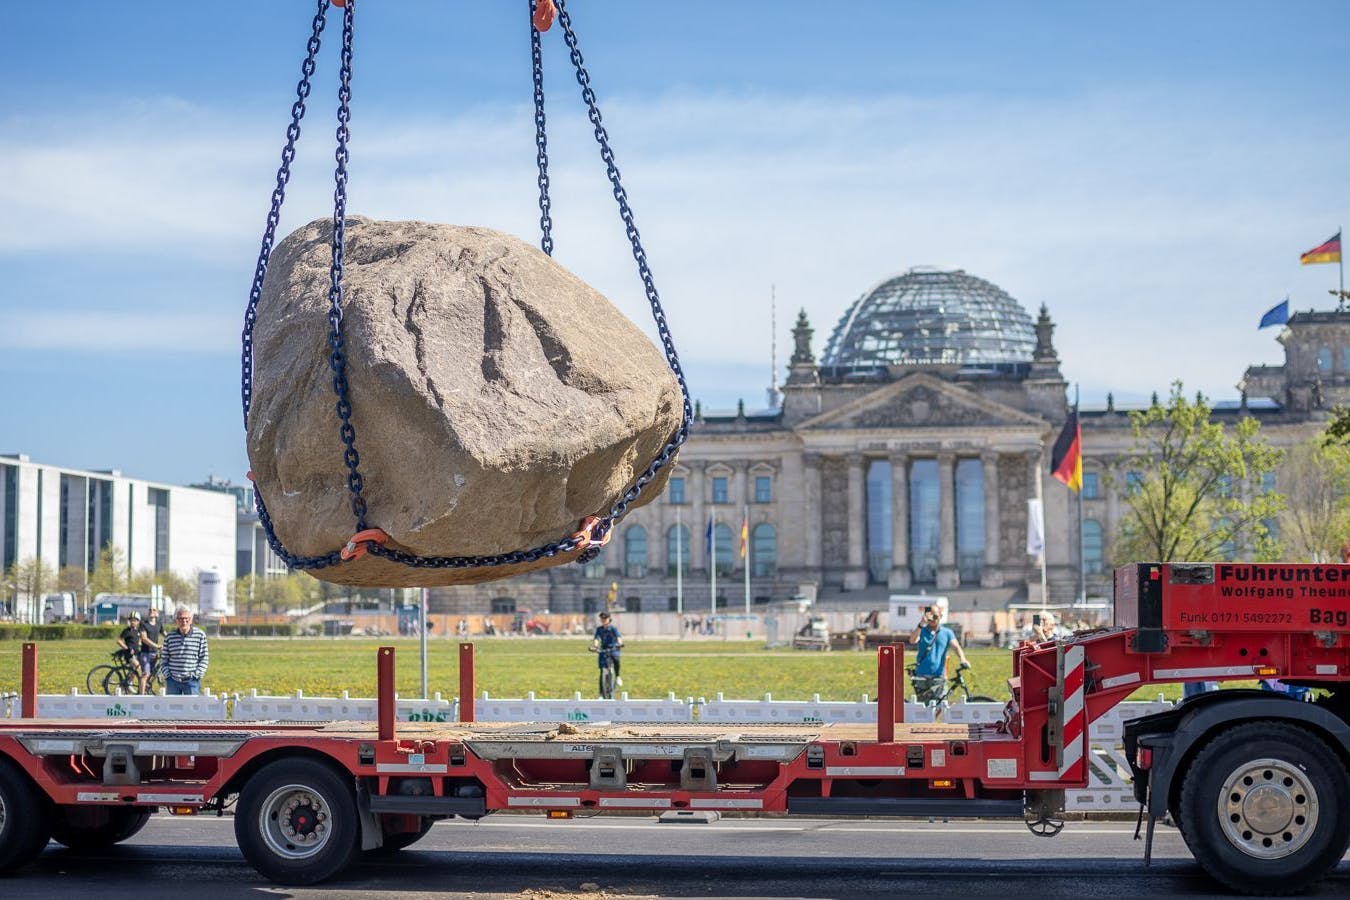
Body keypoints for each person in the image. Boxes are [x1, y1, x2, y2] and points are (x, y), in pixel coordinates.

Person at [908, 605, 970, 704]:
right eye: (930, 616)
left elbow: (956, 647)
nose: (933, 619)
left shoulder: (947, 632)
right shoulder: (921, 631)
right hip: (922, 675)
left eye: (935, 616)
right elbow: (912, 640)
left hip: (939, 676)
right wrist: (921, 624)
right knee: (922, 706)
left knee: (941, 704)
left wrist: (963, 658)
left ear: (940, 616)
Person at [160, 606, 209, 696]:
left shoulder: (200, 635)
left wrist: (196, 675)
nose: (184, 621)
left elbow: (204, 658)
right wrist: (168, 676)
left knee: (192, 705)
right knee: (172, 705)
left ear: (191, 620)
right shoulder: (169, 637)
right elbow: (164, 659)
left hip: (192, 681)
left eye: (187, 618)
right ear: (176, 620)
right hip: (172, 681)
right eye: (181, 618)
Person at [589, 611, 624, 691]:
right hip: (603, 649)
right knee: (602, 670)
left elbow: (618, 637)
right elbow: (596, 638)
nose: (603, 619)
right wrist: (595, 646)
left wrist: (620, 643)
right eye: (602, 618)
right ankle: (602, 692)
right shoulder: (599, 629)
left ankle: (617, 676)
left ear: (609, 619)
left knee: (616, 660)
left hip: (613, 648)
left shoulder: (613, 629)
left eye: (605, 618)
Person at [115, 613, 145, 693]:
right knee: (138, 667)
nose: (132, 622)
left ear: (138, 622)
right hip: (129, 655)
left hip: (137, 654)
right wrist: (127, 648)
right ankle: (130, 684)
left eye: (134, 620)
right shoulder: (127, 631)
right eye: (131, 620)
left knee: (133, 671)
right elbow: (119, 641)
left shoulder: (138, 631)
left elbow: (137, 641)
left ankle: (126, 685)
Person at [138, 607, 165, 694]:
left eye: (154, 610)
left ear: (157, 614)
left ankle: (146, 690)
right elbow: (144, 638)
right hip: (145, 653)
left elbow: (166, 635)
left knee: (151, 675)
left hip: (155, 654)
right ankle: (141, 697)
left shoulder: (159, 624)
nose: (151, 611)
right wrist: (156, 646)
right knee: (145, 675)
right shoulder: (143, 624)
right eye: (150, 610)